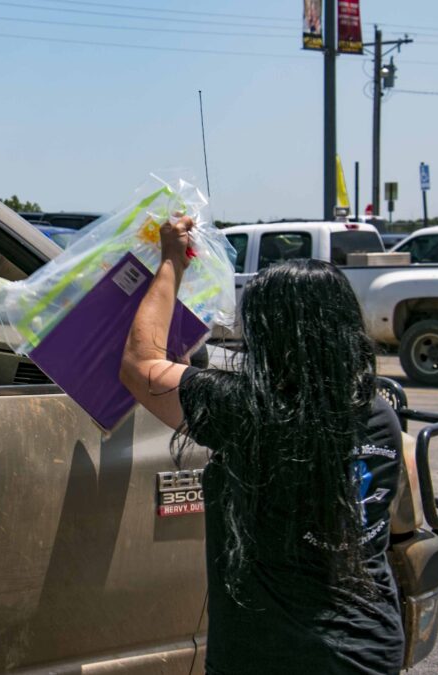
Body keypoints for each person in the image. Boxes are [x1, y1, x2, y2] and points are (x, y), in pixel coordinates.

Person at [120, 216, 403, 674]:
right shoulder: (375, 412)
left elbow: (139, 365)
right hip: (370, 648)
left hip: (276, 657)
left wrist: (171, 261)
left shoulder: (251, 411)